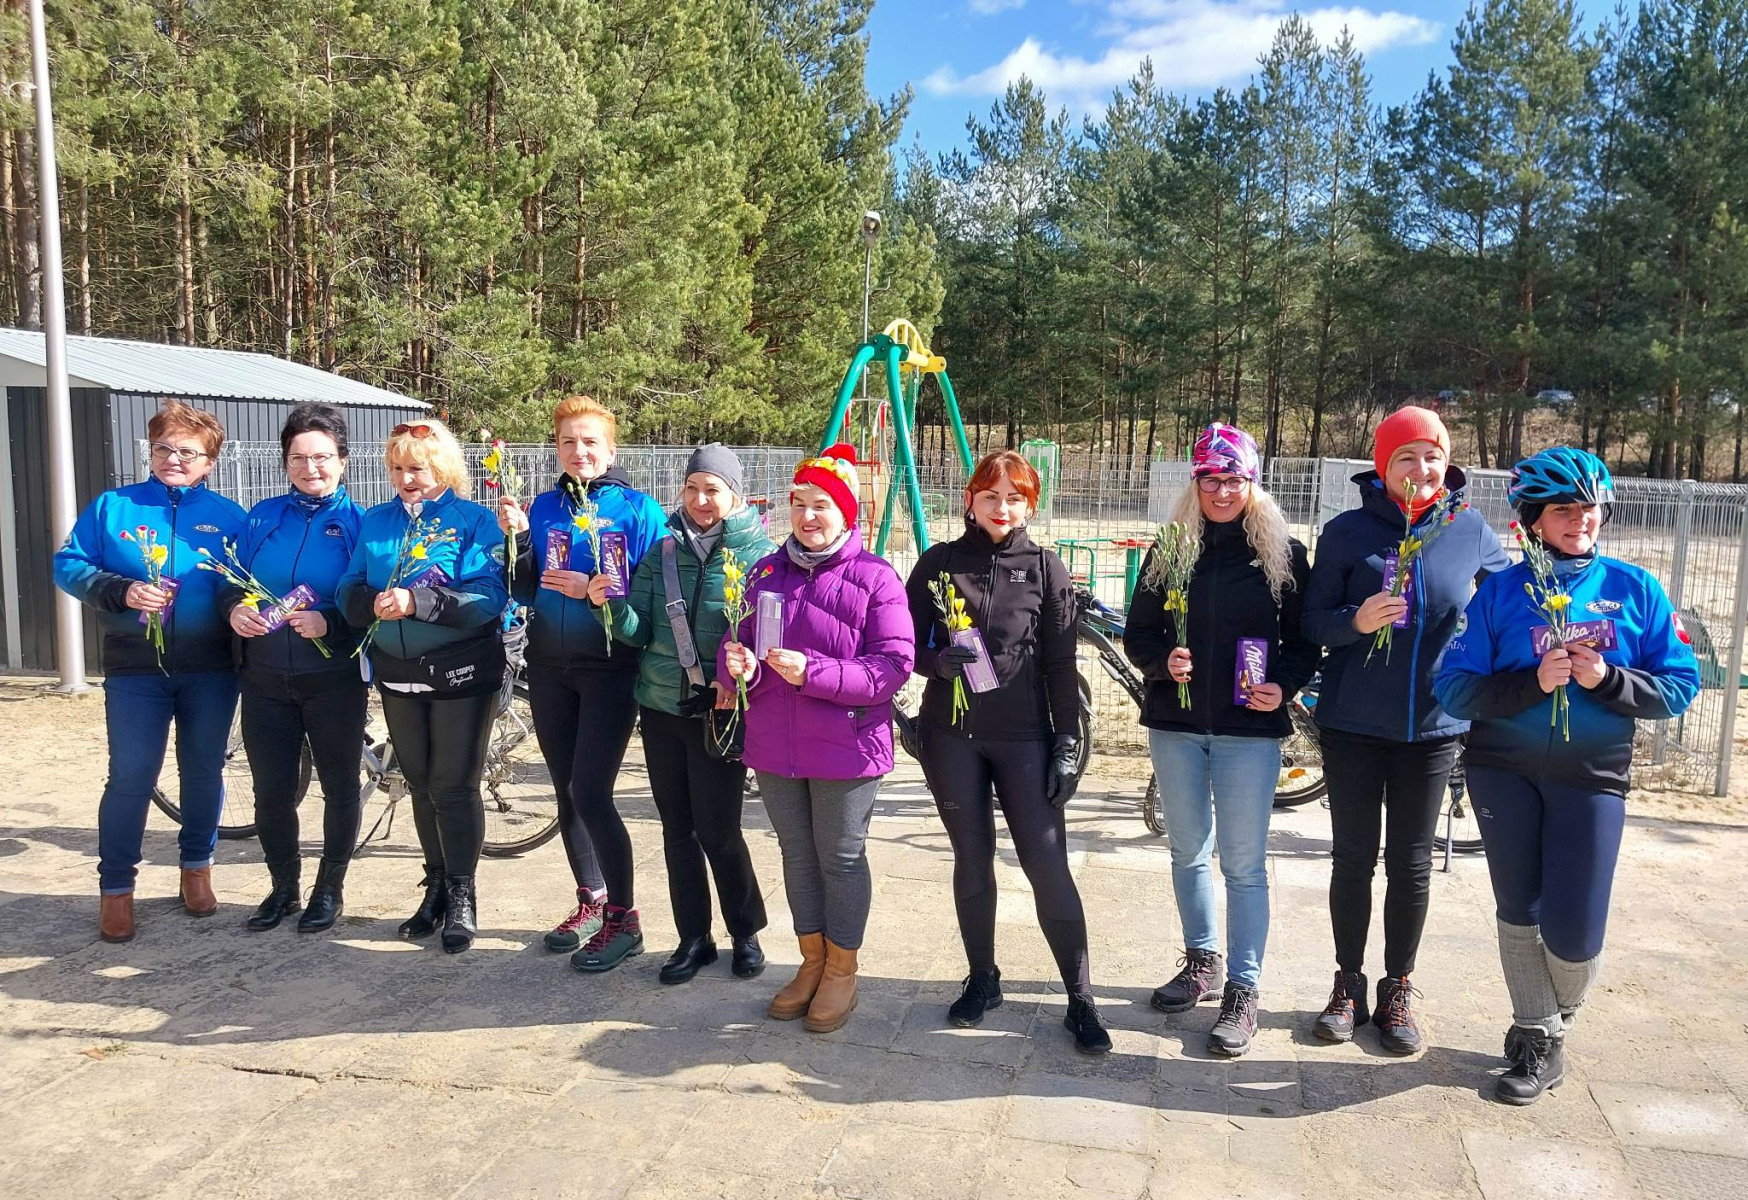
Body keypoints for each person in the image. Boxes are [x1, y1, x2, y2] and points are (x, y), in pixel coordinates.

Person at [1436, 447, 1698, 1104]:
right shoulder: (1500, 593)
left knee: (1575, 932)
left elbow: (1679, 687)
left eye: (1590, 507)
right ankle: (1538, 1039)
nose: (1581, 519)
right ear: (1533, 518)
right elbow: (1454, 688)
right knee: (1518, 908)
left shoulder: (1635, 589)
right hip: (1503, 772)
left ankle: (1554, 1016)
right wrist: (1533, 682)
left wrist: (1608, 680)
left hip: (1592, 776)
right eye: (1563, 509)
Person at [1301, 405, 1510, 1052]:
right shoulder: (1346, 532)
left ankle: (1397, 988)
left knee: (1412, 865)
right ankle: (1348, 984)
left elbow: (1509, 607)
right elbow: (1310, 621)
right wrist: (1354, 622)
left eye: (1433, 456)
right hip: (1353, 724)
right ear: (1383, 465)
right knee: (1353, 858)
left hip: (1433, 727)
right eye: (1406, 457)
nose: (1422, 468)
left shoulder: (1470, 529)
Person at [905, 450, 1111, 1054]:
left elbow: (1060, 665)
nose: (1001, 507)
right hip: (951, 736)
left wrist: (1067, 741)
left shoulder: (1046, 568)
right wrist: (933, 663)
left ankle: (1080, 998)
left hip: (1024, 738)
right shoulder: (939, 563)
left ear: (1029, 507)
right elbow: (901, 640)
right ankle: (983, 978)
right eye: (990, 495)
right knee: (972, 858)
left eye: (1014, 498)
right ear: (970, 499)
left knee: (1047, 866)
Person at [1126, 424, 1320, 1057]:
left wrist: (1283, 686)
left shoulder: (1282, 553)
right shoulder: (1171, 549)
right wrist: (1162, 663)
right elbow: (1138, 633)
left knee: (1242, 864)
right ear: (1195, 483)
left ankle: (1244, 987)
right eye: (1210, 478)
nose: (1221, 490)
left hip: (1248, 730)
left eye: (1233, 478)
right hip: (1177, 726)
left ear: (1252, 482)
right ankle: (1201, 961)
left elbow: (1303, 642)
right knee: (1187, 851)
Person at [718, 444, 913, 1033]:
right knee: (797, 855)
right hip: (775, 743)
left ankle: (842, 971)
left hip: (846, 746)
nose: (807, 516)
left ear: (846, 513)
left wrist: (816, 673)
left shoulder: (875, 578)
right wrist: (736, 666)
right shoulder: (764, 573)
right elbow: (739, 644)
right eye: (799, 503)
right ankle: (811, 961)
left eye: (821, 505)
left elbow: (893, 666)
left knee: (841, 857)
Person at [54, 401, 246, 943]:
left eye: (187, 451)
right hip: (135, 669)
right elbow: (68, 565)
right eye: (163, 447)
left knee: (203, 772)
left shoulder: (230, 516)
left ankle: (197, 870)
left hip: (211, 669)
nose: (173, 459)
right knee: (131, 776)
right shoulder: (113, 507)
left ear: (210, 462)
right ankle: (116, 888)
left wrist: (239, 605)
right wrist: (120, 590)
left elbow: (240, 580)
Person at [586, 444, 774, 983]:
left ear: (735, 494)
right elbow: (639, 631)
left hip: (721, 710)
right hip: (662, 705)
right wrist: (608, 606)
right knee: (677, 830)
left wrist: (735, 679)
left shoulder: (761, 557)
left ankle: (745, 932)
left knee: (720, 830)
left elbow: (768, 638)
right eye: (692, 488)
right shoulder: (662, 552)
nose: (700, 500)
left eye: (712, 489)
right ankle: (694, 937)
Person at [498, 395, 665, 972]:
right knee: (567, 791)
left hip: (611, 668)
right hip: (549, 666)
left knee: (592, 791)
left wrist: (593, 585)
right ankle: (591, 900)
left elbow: (650, 593)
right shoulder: (543, 507)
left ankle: (625, 919)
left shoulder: (639, 511)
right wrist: (518, 540)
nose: (579, 451)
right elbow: (523, 588)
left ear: (611, 450)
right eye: (568, 441)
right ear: (557, 448)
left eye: (590, 441)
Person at [337, 418, 508, 954]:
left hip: (460, 672)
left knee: (453, 787)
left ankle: (462, 893)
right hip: (397, 672)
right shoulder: (376, 520)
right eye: (397, 468)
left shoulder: (473, 520)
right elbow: (348, 585)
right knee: (420, 784)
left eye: (417, 468)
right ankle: (434, 887)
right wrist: (369, 603)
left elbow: (489, 595)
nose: (406, 479)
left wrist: (419, 602)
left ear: (444, 469)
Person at [225, 404, 367, 933]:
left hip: (332, 680)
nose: (311, 468)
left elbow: (371, 601)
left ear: (343, 460)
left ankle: (330, 889)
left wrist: (331, 622)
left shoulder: (359, 524)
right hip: (264, 678)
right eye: (299, 458)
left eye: (322, 457)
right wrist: (234, 609)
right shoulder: (262, 517)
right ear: (285, 462)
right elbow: (229, 578)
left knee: (339, 787)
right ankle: (283, 887)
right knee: (271, 791)